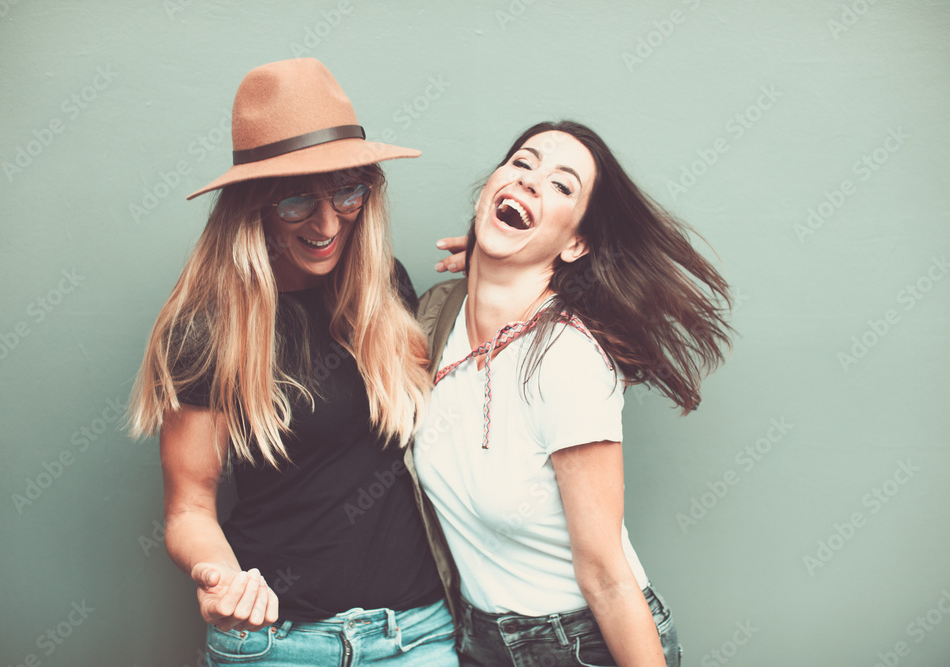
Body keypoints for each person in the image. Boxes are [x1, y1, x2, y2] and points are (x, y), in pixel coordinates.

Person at [126, 58, 457, 666]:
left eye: (348, 192)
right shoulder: (206, 328)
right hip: (280, 644)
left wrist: (501, 268)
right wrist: (223, 580)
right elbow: (188, 508)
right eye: (297, 200)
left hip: (418, 634)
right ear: (252, 204)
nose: (328, 223)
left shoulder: (385, 289)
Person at [411, 121, 733, 666]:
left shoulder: (567, 360)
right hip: (475, 640)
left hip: (580, 646)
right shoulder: (438, 315)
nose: (532, 181)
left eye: (563, 186)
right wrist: (499, 261)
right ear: (491, 185)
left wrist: (515, 255)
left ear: (578, 240)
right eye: (521, 162)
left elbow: (607, 577)